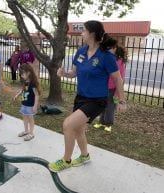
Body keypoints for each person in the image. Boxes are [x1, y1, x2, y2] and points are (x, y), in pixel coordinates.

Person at [48, 20, 127, 173]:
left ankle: (66, 160)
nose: (81, 33)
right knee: (78, 130)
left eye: (83, 30)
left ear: (92, 33)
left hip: (97, 100)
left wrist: (121, 100)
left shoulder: (106, 56)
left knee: (68, 125)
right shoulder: (80, 52)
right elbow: (73, 73)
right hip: (81, 97)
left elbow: (118, 79)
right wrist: (64, 73)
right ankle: (85, 156)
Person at [93, 45, 127, 132]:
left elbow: (121, 78)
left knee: (110, 107)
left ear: (115, 50)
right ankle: (101, 122)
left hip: (113, 89)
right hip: (103, 87)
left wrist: (117, 93)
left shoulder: (120, 62)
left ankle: (108, 124)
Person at [14, 63, 40, 141]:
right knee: (24, 118)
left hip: (30, 105)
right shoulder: (25, 82)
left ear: (28, 73)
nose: (21, 75)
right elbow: (23, 90)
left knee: (30, 118)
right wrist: (17, 95)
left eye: (22, 74)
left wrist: (35, 105)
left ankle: (31, 133)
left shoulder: (33, 84)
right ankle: (26, 131)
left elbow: (37, 95)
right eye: (20, 74)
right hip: (24, 103)